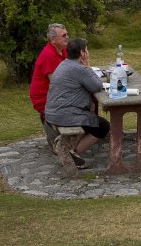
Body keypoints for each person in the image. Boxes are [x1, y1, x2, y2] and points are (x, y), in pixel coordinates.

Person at [45, 38, 110, 169]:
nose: (88, 52)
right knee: (103, 126)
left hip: (52, 113)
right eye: (86, 49)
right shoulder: (80, 69)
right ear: (82, 53)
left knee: (90, 115)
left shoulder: (64, 64)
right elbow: (97, 86)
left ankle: (70, 148)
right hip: (65, 115)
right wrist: (87, 64)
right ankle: (73, 154)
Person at [29, 23, 69, 148]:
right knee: (82, 103)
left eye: (67, 34)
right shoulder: (48, 55)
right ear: (53, 40)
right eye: (64, 35)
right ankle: (58, 140)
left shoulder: (63, 50)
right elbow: (57, 84)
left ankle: (74, 137)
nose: (67, 37)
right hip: (44, 98)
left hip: (53, 94)